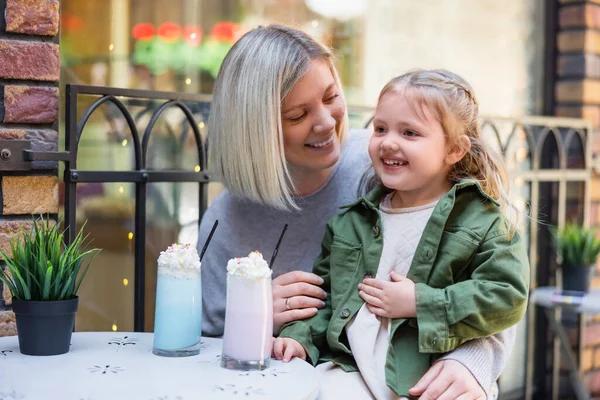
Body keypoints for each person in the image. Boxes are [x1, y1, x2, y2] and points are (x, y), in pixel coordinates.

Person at [200, 25, 516, 399]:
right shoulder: (225, 219)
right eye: (298, 115)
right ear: (255, 129)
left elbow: (494, 284)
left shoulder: (387, 168)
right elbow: (202, 343)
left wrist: (472, 363)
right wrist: (254, 313)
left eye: (331, 96)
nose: (326, 122)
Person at [272, 69, 530, 399]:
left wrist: (420, 302)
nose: (388, 141)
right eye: (380, 128)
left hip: (429, 377)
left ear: (454, 150)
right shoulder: (351, 222)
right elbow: (325, 301)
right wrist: (299, 339)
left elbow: (506, 296)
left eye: (409, 132)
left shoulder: (484, 221)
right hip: (352, 371)